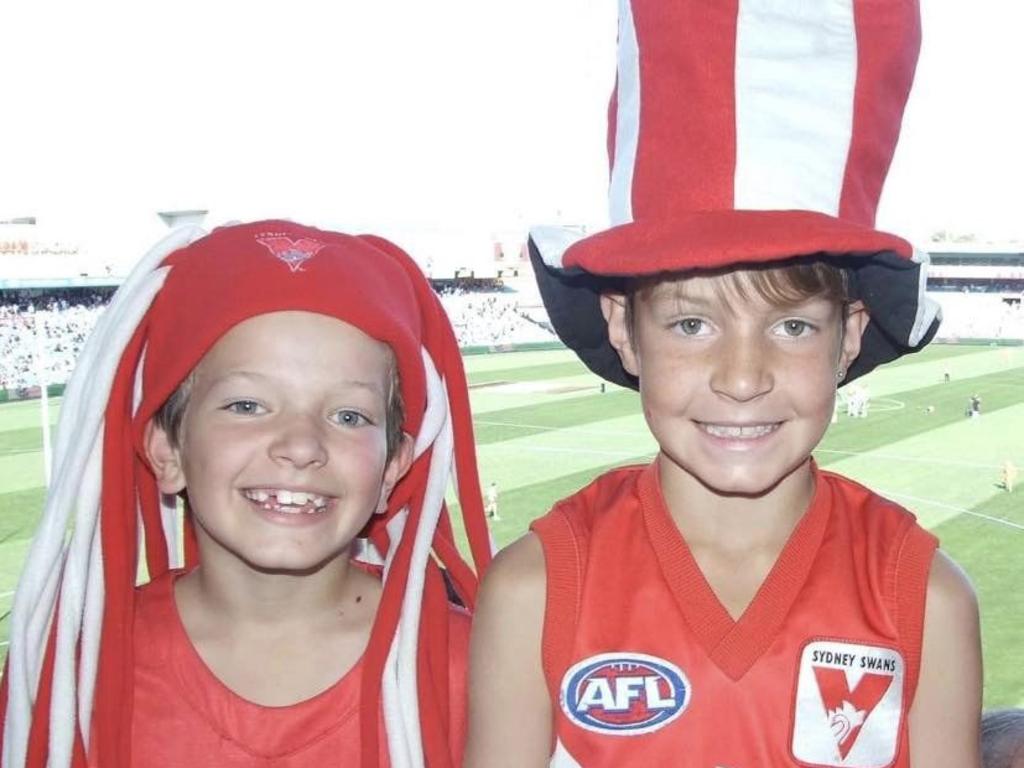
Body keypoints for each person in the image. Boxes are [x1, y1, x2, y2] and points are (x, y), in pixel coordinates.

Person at [466, 2, 981, 767]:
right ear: (621, 328)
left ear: (851, 335)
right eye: (691, 325)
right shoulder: (534, 594)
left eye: (793, 326)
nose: (743, 378)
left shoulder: (924, 600)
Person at [0, 221, 492, 768]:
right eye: (247, 406)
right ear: (166, 451)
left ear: (392, 469)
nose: (302, 445)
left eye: (349, 415)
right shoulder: (75, 673)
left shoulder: (474, 669)